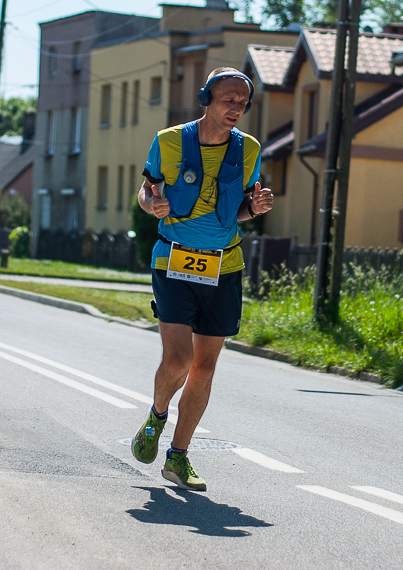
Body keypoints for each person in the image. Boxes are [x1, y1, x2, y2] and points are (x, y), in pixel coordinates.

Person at [130, 67, 274, 492]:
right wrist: (151, 205)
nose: (236, 108)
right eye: (228, 98)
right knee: (177, 361)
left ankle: (178, 457)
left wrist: (258, 207)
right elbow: (147, 191)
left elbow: (240, 210)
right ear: (206, 97)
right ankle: (157, 416)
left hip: (223, 265)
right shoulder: (170, 140)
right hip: (173, 259)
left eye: (243, 103)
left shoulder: (249, 149)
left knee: (204, 367)